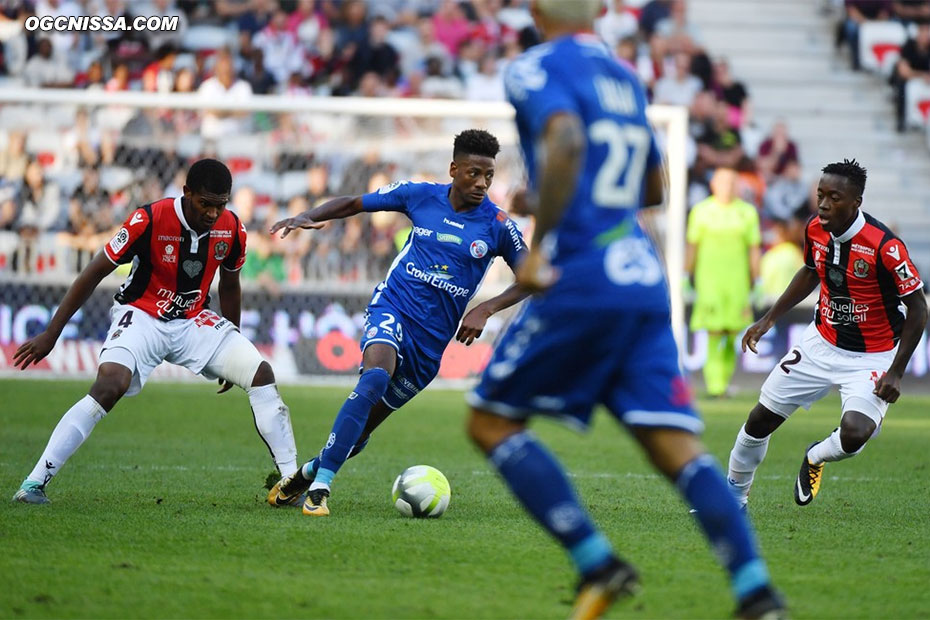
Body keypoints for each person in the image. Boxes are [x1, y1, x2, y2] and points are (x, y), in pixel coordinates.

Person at [464, 2, 785, 619]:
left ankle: (596, 562)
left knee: (490, 423)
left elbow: (563, 138)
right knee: (675, 446)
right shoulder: (623, 75)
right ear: (600, 10)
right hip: (641, 276)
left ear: (535, 8)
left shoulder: (532, 68)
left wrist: (542, 239)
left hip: (582, 272)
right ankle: (755, 592)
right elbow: (655, 188)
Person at [266, 130, 528, 517]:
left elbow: (533, 276)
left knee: (360, 432)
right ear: (454, 169)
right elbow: (356, 202)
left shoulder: (498, 225)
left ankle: (308, 470)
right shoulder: (420, 195)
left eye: (488, 176)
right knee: (373, 377)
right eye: (474, 173)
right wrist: (311, 215)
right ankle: (321, 489)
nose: (481, 183)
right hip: (393, 307)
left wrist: (485, 308)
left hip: (431, 344)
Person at [11, 159, 299, 505]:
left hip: (192, 320)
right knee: (109, 385)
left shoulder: (233, 229)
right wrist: (52, 333)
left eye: (220, 204)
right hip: (142, 314)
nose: (212, 213)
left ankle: (290, 483)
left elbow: (231, 285)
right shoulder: (147, 219)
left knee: (261, 373)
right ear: (186, 193)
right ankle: (33, 483)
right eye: (204, 203)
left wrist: (232, 338)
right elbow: (94, 272)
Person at [728, 159, 927, 508]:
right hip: (821, 342)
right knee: (759, 420)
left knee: (855, 434)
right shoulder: (814, 228)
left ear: (856, 202)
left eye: (834, 197)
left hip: (873, 354)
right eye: (820, 194)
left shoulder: (885, 247)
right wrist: (769, 319)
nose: (823, 204)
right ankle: (733, 500)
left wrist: (896, 370)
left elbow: (919, 308)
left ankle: (816, 455)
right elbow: (809, 272)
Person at [686, 167, 761, 397]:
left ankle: (724, 380)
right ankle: (714, 384)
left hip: (737, 282)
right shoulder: (701, 211)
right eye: (723, 182)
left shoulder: (747, 212)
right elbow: (692, 246)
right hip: (709, 281)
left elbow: (753, 249)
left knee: (732, 333)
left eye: (732, 182)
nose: (728, 187)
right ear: (713, 185)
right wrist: (683, 276)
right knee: (714, 331)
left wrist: (757, 280)